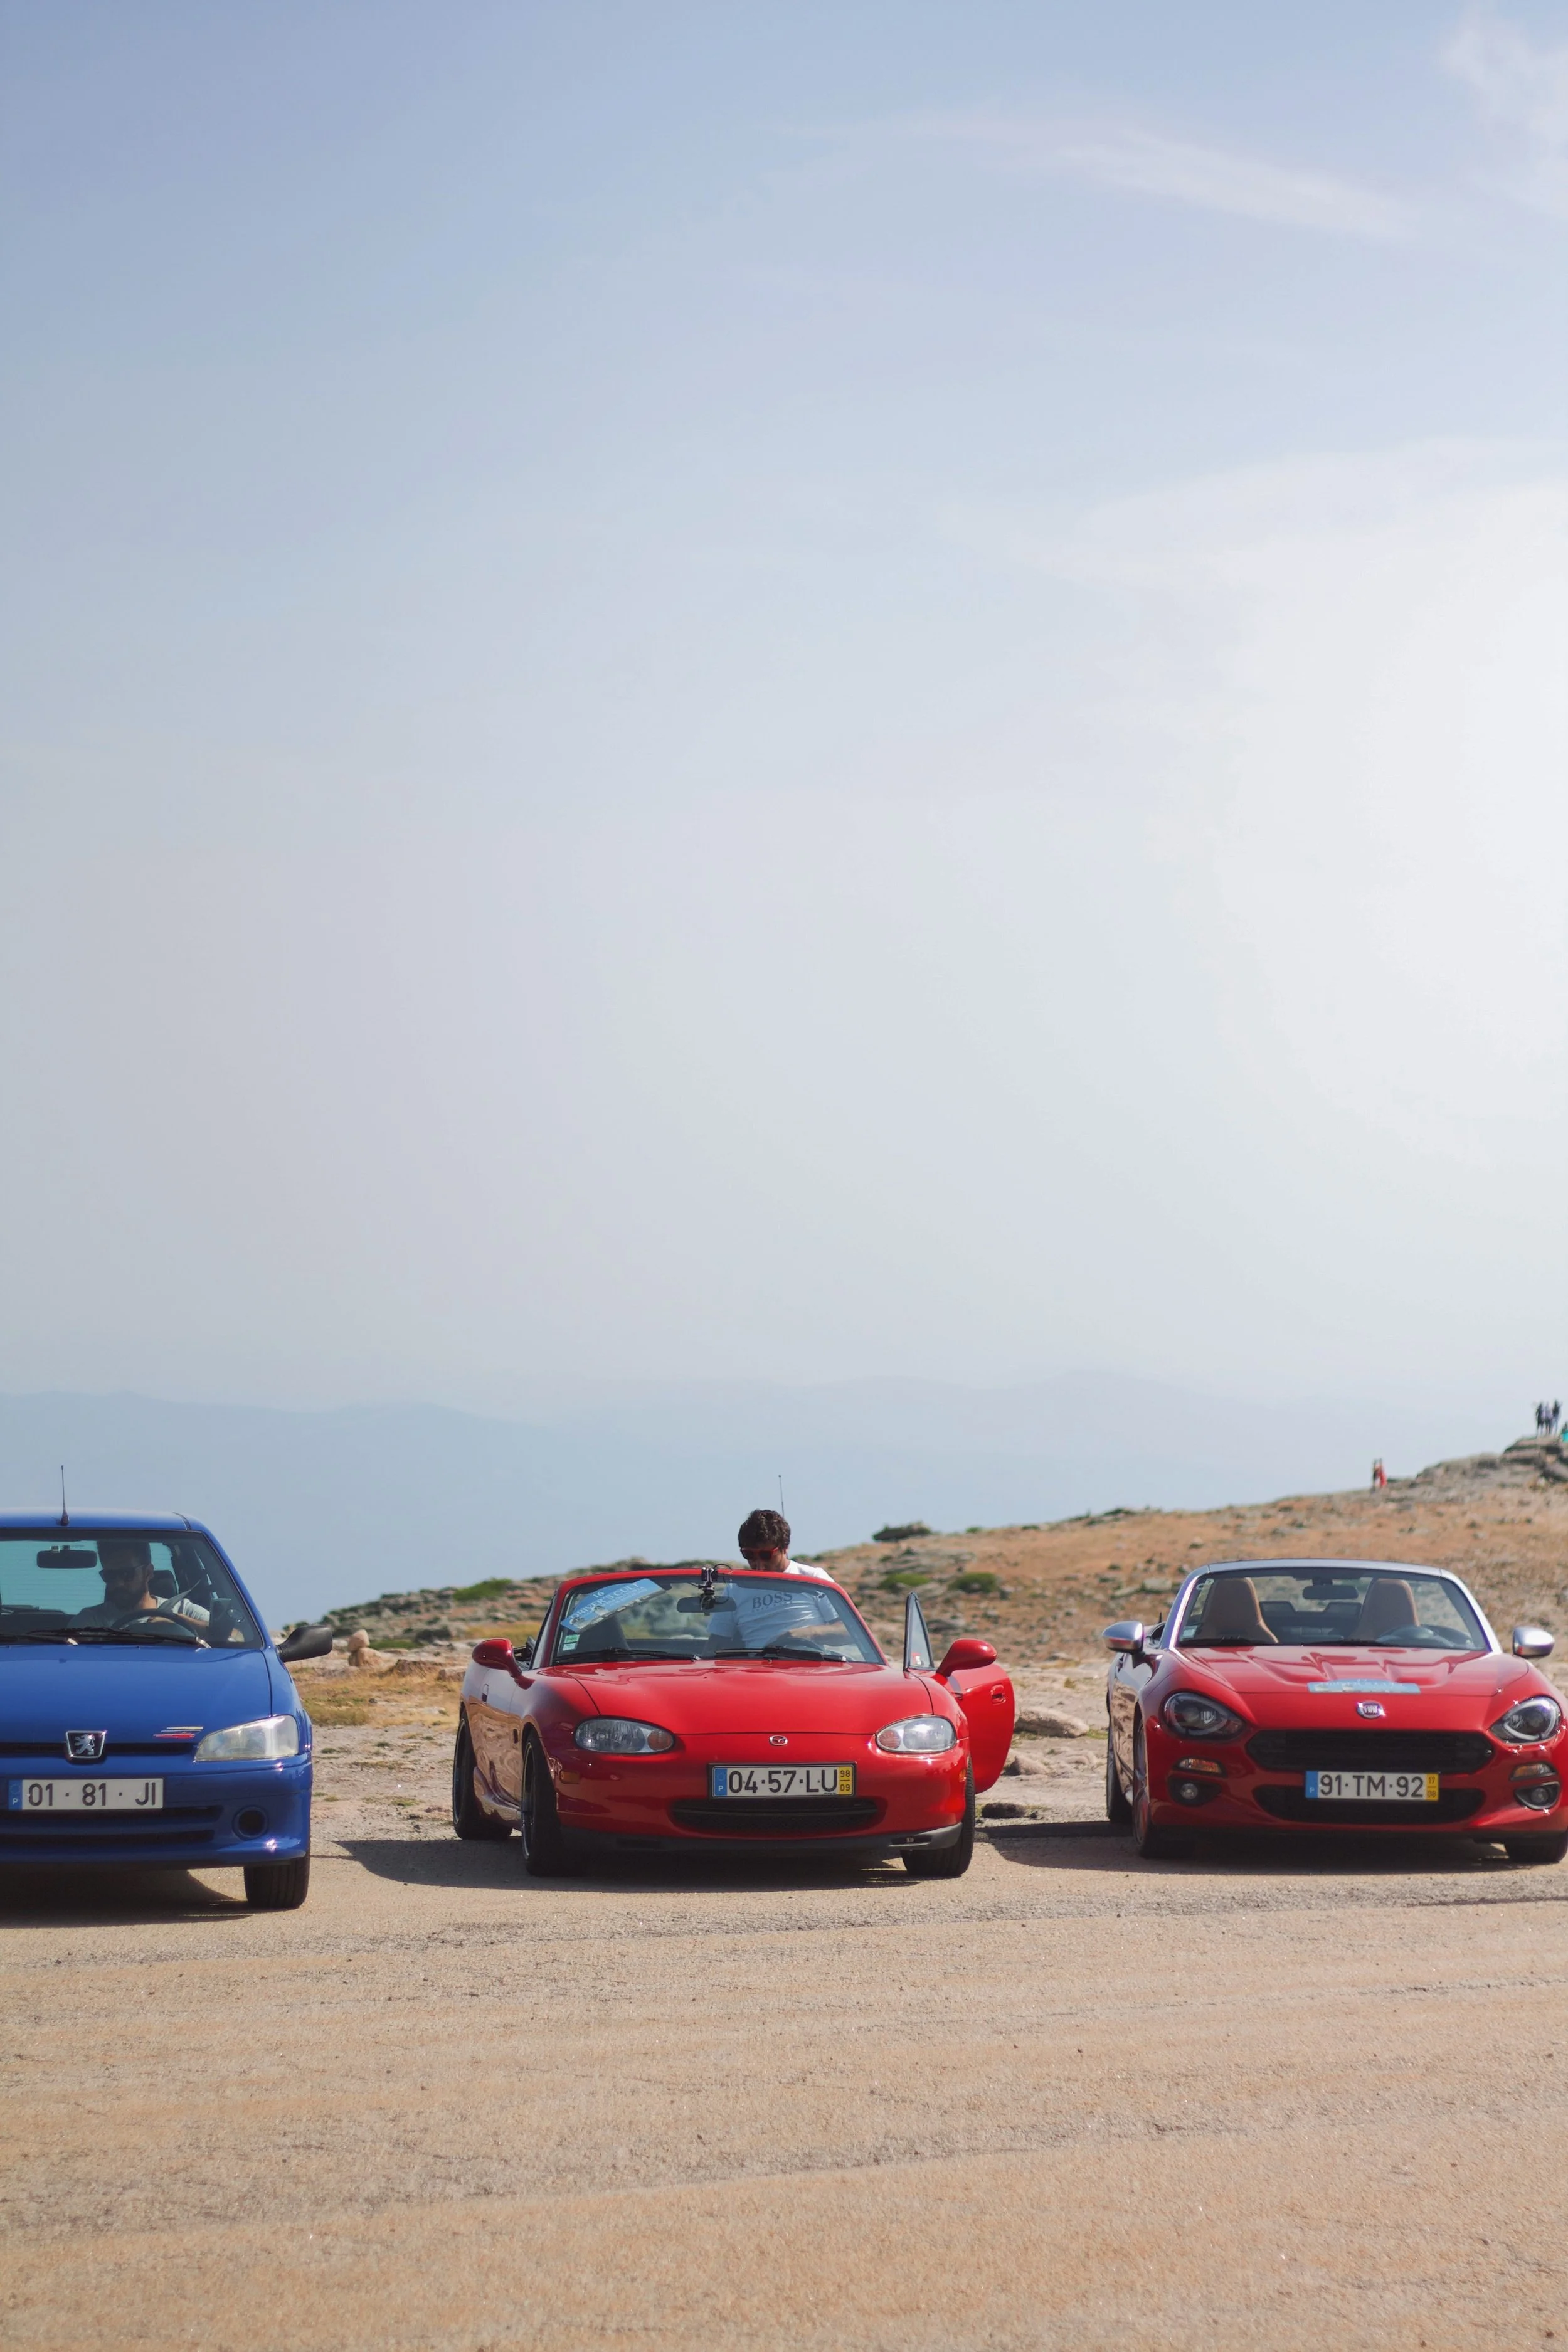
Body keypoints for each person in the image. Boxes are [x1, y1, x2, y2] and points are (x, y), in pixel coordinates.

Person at [75, 1537, 211, 1629]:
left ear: (148, 1573)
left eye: (126, 1574)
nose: (118, 1583)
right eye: (110, 1576)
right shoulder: (92, 1621)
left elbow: (224, 1633)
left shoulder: (183, 1610)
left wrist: (178, 1623)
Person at [737, 1508, 832, 1582]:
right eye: (749, 1554)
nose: (759, 1568)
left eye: (766, 1555)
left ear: (785, 1548)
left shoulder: (816, 1580)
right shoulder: (735, 1588)